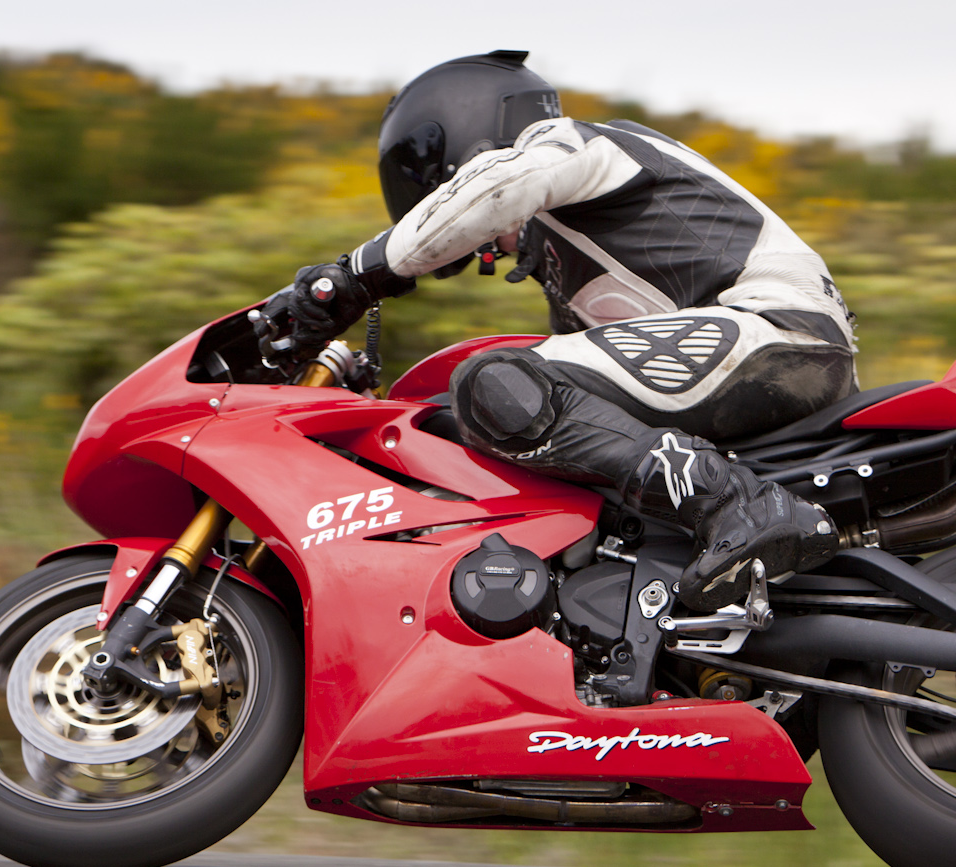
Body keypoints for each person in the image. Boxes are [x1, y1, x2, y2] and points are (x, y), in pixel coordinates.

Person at [267, 50, 854, 612]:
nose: (481, 246)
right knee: (519, 408)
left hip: (774, 331)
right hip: (754, 356)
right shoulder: (565, 257)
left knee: (491, 380)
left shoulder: (574, 144)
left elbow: (497, 188)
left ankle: (739, 504)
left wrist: (350, 279)